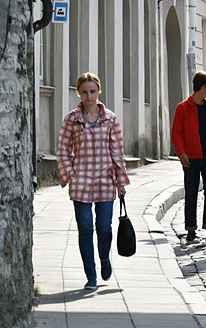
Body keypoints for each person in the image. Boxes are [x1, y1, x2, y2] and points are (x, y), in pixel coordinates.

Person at [57, 72, 130, 291]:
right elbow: (62, 150)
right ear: (79, 92)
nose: (89, 96)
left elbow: (117, 152)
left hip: (106, 180)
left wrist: (120, 182)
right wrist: (71, 174)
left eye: (93, 91)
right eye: (85, 92)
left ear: (98, 91)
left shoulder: (111, 118)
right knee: (85, 228)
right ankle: (91, 275)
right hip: (80, 181)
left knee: (104, 227)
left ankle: (104, 259)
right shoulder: (72, 119)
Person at [171, 71, 206, 244]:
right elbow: (176, 133)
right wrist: (181, 153)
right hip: (190, 158)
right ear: (203, 87)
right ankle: (191, 233)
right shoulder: (182, 107)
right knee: (191, 194)